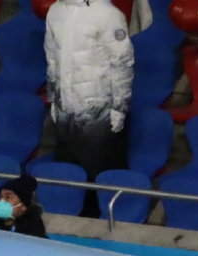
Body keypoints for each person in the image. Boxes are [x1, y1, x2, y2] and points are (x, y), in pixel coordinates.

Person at [45, 0, 133, 180]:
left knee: (99, 173)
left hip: (99, 110)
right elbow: (52, 58)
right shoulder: (55, 11)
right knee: (67, 172)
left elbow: (122, 64)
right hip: (65, 108)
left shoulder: (108, 14)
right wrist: (54, 98)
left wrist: (119, 108)